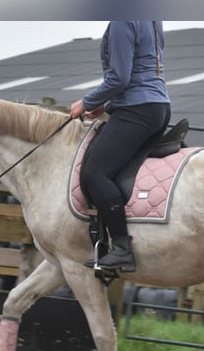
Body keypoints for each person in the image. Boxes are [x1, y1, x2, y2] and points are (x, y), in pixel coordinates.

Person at [70, 21, 172, 272]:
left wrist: (85, 102)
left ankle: (122, 248)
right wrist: (105, 106)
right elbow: (141, 70)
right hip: (157, 108)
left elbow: (119, 77)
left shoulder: (122, 20)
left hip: (135, 111)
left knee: (96, 174)